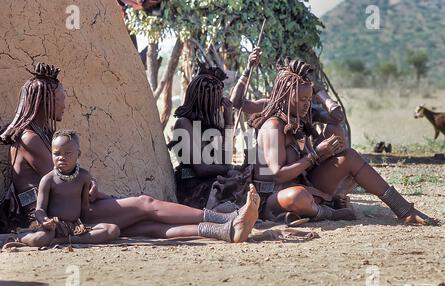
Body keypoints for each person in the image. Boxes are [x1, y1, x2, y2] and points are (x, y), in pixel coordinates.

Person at [0, 63, 260, 247]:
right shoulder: (29, 138)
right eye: (61, 97)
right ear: (46, 101)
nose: (65, 102)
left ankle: (224, 230)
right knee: (145, 203)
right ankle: (227, 217)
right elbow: (63, 180)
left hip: (71, 209)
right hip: (61, 218)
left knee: (149, 227)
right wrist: (95, 189)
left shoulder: (39, 135)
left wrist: (92, 187)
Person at [234, 58, 437, 225]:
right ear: (286, 97)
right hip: (274, 198)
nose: (306, 105)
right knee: (297, 197)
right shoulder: (273, 126)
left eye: (308, 99)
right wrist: (316, 155)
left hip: (304, 185)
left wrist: (320, 93)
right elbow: (278, 174)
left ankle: (403, 209)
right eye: (302, 100)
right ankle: (328, 213)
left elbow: (336, 116)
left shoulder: (299, 119)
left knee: (349, 157)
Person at [169, 48, 264, 209]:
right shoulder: (184, 124)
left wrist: (228, 120)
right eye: (216, 98)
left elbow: (224, 159)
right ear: (204, 99)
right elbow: (201, 169)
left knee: (251, 174)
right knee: (235, 180)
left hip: (211, 182)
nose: (219, 102)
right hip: (193, 189)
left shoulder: (212, 125)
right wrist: (232, 169)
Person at [5, 129, 120, 247]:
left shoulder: (84, 177)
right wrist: (45, 221)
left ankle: (64, 241)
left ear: (78, 154)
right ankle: (20, 238)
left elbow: (85, 206)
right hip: (54, 227)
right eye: (56, 154)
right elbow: (39, 210)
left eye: (67, 153)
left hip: (75, 226)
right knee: (41, 238)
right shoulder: (48, 180)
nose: (61, 157)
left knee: (113, 230)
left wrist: (85, 226)